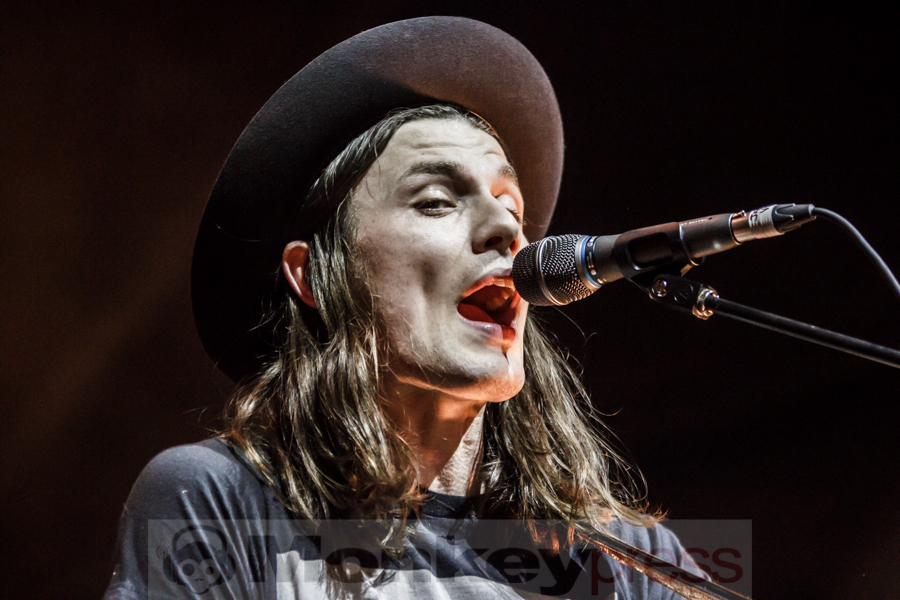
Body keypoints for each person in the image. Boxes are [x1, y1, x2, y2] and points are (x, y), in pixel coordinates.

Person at [104, 17, 707, 599]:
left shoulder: (626, 563)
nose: (505, 228)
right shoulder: (219, 502)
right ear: (313, 274)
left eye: (512, 208)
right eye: (438, 201)